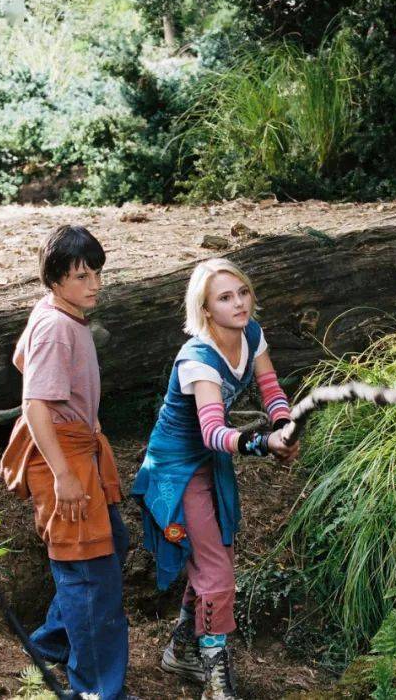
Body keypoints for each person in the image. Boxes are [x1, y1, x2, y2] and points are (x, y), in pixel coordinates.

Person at [132, 258, 300, 700]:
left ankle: (182, 648)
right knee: (218, 575)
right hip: (176, 467)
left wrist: (284, 424)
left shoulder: (251, 333)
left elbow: (270, 386)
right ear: (205, 309)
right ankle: (216, 682)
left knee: (215, 558)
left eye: (242, 292)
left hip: (212, 459)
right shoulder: (197, 358)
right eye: (225, 298)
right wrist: (263, 444)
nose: (239, 303)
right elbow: (211, 429)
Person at [0, 225, 133, 700]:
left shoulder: (53, 311)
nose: (94, 284)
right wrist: (63, 476)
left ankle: (52, 642)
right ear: (55, 280)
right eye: (81, 276)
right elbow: (35, 403)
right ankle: (98, 690)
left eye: (97, 272)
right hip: (64, 453)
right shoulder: (57, 327)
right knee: (91, 576)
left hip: (77, 445)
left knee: (111, 542)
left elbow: (21, 358)